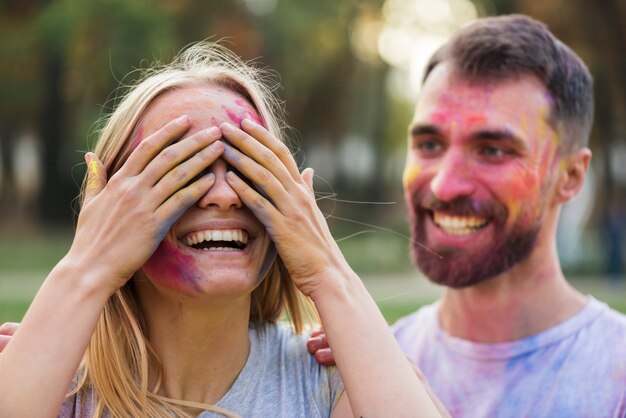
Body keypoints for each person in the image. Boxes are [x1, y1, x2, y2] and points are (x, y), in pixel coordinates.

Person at [0, 42, 447, 417]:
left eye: (248, 168)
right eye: (180, 170)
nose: (225, 196)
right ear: (112, 207)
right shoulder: (52, 389)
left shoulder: (338, 386)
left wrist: (329, 274)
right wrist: (84, 271)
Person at [308, 14, 626, 417]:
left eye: (492, 150)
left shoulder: (616, 378)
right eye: (428, 144)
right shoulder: (363, 368)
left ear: (571, 176)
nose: (444, 185)